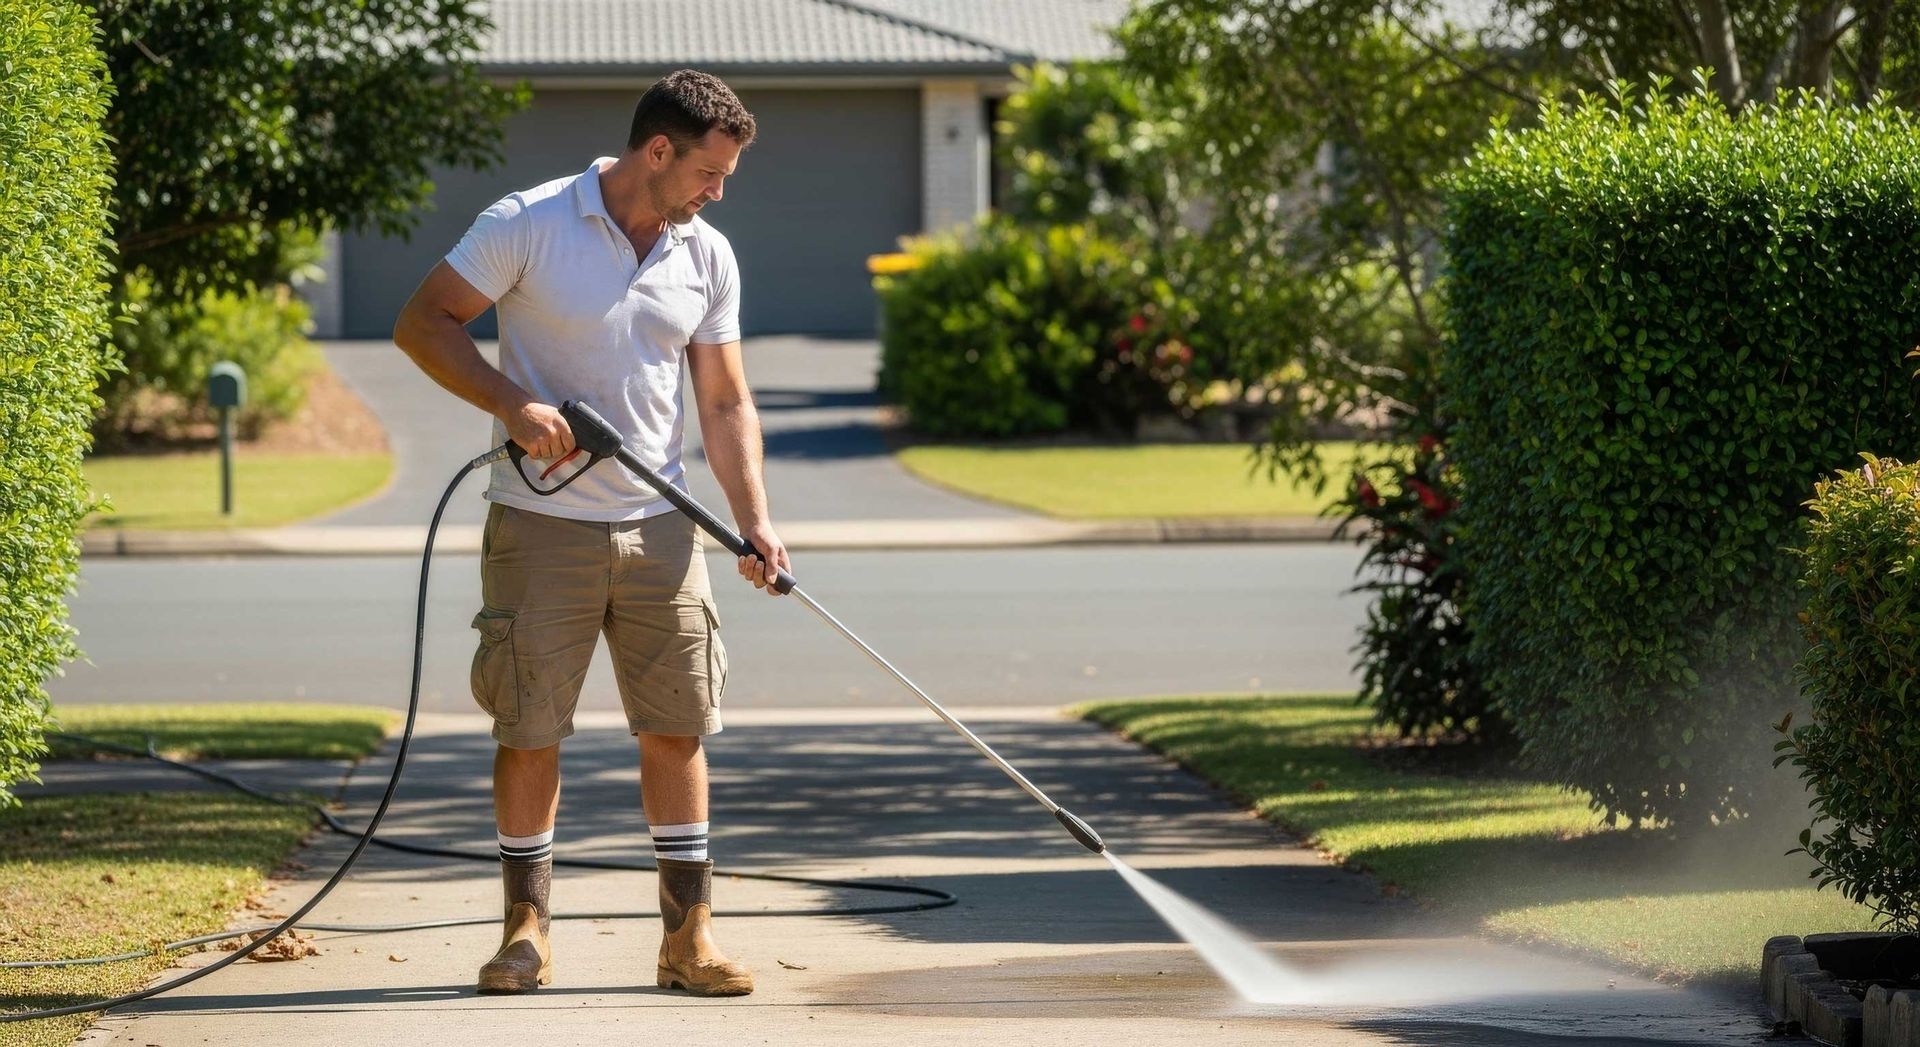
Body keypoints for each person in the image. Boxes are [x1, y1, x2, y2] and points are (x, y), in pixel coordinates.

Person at [391, 69, 787, 998]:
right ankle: (524, 934)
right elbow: (424, 322)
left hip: (662, 529)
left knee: (678, 727)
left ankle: (688, 940)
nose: (717, 191)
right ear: (659, 151)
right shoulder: (528, 221)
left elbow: (724, 399)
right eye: (710, 171)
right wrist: (511, 402)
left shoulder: (706, 254)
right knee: (530, 728)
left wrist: (753, 518)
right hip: (540, 521)